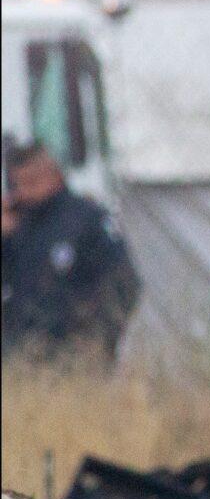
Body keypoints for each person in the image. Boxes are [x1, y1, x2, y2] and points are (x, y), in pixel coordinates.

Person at [1, 140, 140, 360]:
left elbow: (124, 284)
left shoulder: (87, 219)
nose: (25, 192)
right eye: (19, 184)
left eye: (33, 182)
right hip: (21, 357)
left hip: (74, 355)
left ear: (54, 174)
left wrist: (95, 339)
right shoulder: (17, 224)